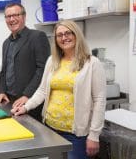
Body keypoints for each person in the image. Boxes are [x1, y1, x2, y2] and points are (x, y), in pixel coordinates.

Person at [11, 20, 106, 159]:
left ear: (76, 35)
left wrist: (94, 135)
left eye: (68, 33)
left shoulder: (92, 63)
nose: (64, 38)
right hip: (50, 128)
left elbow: (99, 100)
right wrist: (26, 107)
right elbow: (42, 90)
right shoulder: (52, 61)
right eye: (59, 35)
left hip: (75, 133)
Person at [0, 3, 50, 121]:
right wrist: (2, 91)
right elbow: (4, 70)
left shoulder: (37, 36)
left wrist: (27, 95)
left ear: (24, 16)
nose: (11, 19)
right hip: (9, 100)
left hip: (30, 101)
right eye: (8, 16)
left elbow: (43, 69)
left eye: (15, 15)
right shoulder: (6, 43)